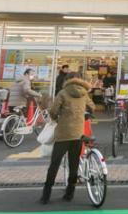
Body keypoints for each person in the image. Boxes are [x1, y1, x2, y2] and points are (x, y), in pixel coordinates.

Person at [40, 72, 95, 204]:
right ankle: (70, 194)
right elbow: (92, 107)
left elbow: (53, 112)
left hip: (63, 134)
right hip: (78, 134)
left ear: (67, 80)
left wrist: (57, 117)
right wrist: (83, 114)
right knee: (74, 165)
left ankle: (46, 196)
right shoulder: (84, 93)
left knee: (54, 164)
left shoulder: (63, 93)